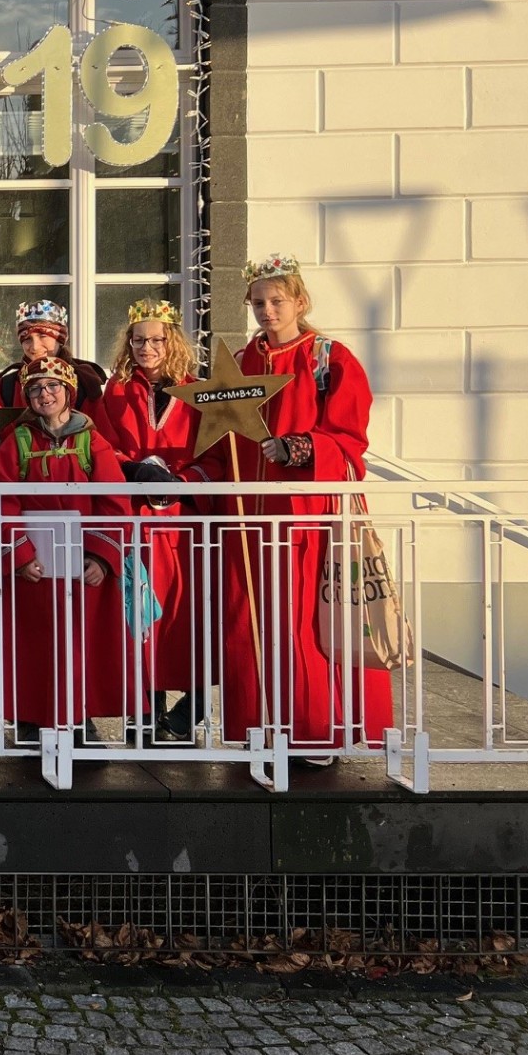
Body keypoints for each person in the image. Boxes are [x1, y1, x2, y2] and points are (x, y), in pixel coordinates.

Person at [185, 254, 387, 753]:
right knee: (246, 621)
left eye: (277, 301)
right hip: (246, 523)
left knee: (303, 626)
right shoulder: (241, 366)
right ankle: (259, 730)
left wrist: (299, 447)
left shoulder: (329, 358)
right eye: (258, 303)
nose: (267, 311)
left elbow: (349, 439)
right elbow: (215, 442)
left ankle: (315, 733)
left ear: (300, 300)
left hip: (305, 520)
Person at [0, 356, 131, 739]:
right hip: (35, 569)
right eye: (35, 388)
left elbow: (114, 502)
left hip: (81, 568)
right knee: (32, 647)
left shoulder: (92, 441)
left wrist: (102, 557)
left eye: (52, 386)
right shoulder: (16, 441)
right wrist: (19, 556)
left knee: (81, 647)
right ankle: (33, 722)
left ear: (68, 391)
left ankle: (80, 722)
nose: (44, 394)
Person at [98, 300, 201, 742]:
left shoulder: (198, 390)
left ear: (172, 341)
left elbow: (215, 452)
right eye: (139, 340)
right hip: (138, 522)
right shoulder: (117, 391)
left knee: (191, 618)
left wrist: (186, 479)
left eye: (157, 339)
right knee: (140, 617)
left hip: (185, 527)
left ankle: (191, 709)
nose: (147, 347)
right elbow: (102, 444)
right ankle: (146, 714)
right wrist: (134, 468)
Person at [0, 301, 113, 444]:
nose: (34, 347)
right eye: (27, 339)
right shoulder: (7, 385)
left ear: (60, 339)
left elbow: (102, 438)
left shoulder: (84, 380)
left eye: (43, 336)